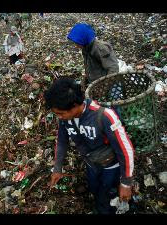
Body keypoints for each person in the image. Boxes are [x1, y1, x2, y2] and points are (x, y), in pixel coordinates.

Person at [44, 77, 134, 214]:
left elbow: (125, 149)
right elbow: (62, 141)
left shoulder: (104, 116)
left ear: (74, 105)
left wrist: (126, 182)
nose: (59, 117)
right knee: (94, 188)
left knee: (108, 194)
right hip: (90, 163)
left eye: (60, 113)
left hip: (111, 166)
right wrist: (57, 168)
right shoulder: (65, 119)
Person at [67, 23, 119, 88]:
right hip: (95, 84)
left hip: (107, 85)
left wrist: (105, 87)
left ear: (84, 39)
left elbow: (113, 69)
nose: (76, 45)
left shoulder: (100, 48)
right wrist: (85, 79)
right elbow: (89, 67)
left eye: (77, 43)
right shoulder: (85, 48)